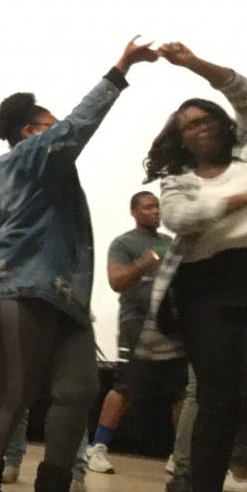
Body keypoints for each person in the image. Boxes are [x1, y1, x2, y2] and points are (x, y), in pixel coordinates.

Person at [0, 37, 157, 492]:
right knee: (16, 390)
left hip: (61, 294)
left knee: (79, 389)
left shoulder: (43, 176)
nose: (61, 135)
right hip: (16, 288)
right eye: (50, 127)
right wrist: (119, 70)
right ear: (31, 131)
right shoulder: (25, 159)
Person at [142, 41, 247, 492]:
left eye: (205, 120)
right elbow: (183, 220)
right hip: (207, 290)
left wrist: (194, 64)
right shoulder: (177, 182)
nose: (198, 128)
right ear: (180, 139)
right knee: (217, 402)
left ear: (222, 124)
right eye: (187, 126)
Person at [85, 192, 182, 474]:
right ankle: (99, 447)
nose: (155, 211)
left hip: (170, 324)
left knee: (181, 391)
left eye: (157, 207)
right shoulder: (124, 243)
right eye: (148, 207)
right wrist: (143, 263)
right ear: (134, 212)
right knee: (125, 385)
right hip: (136, 322)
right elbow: (116, 281)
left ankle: (180, 454)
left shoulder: (171, 243)